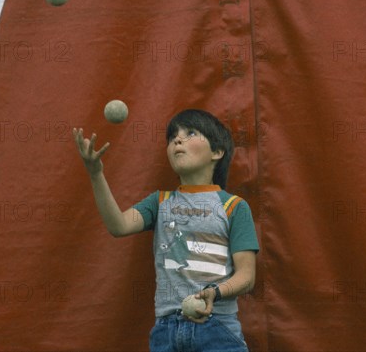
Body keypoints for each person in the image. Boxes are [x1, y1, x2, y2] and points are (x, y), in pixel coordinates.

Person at [73, 109, 259, 351]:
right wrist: (96, 174)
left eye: (190, 133)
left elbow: (247, 277)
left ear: (217, 152)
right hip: (166, 330)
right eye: (172, 137)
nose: (177, 140)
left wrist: (216, 292)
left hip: (218, 328)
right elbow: (117, 226)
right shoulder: (159, 202)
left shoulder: (234, 206)